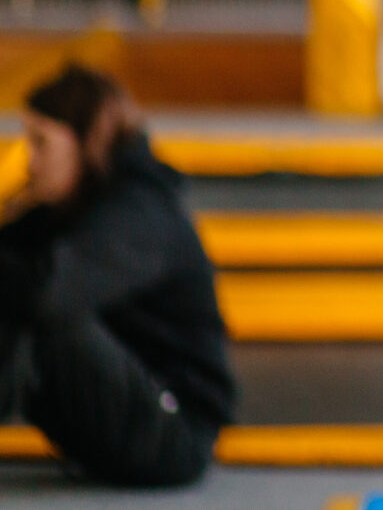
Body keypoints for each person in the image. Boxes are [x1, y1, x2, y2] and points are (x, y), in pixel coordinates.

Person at [0, 64, 233, 486]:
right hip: (122, 416)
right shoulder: (68, 206)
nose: (29, 163)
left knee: (33, 311)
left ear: (86, 143)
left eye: (41, 144)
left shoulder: (142, 212)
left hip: (173, 434)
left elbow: (44, 294)